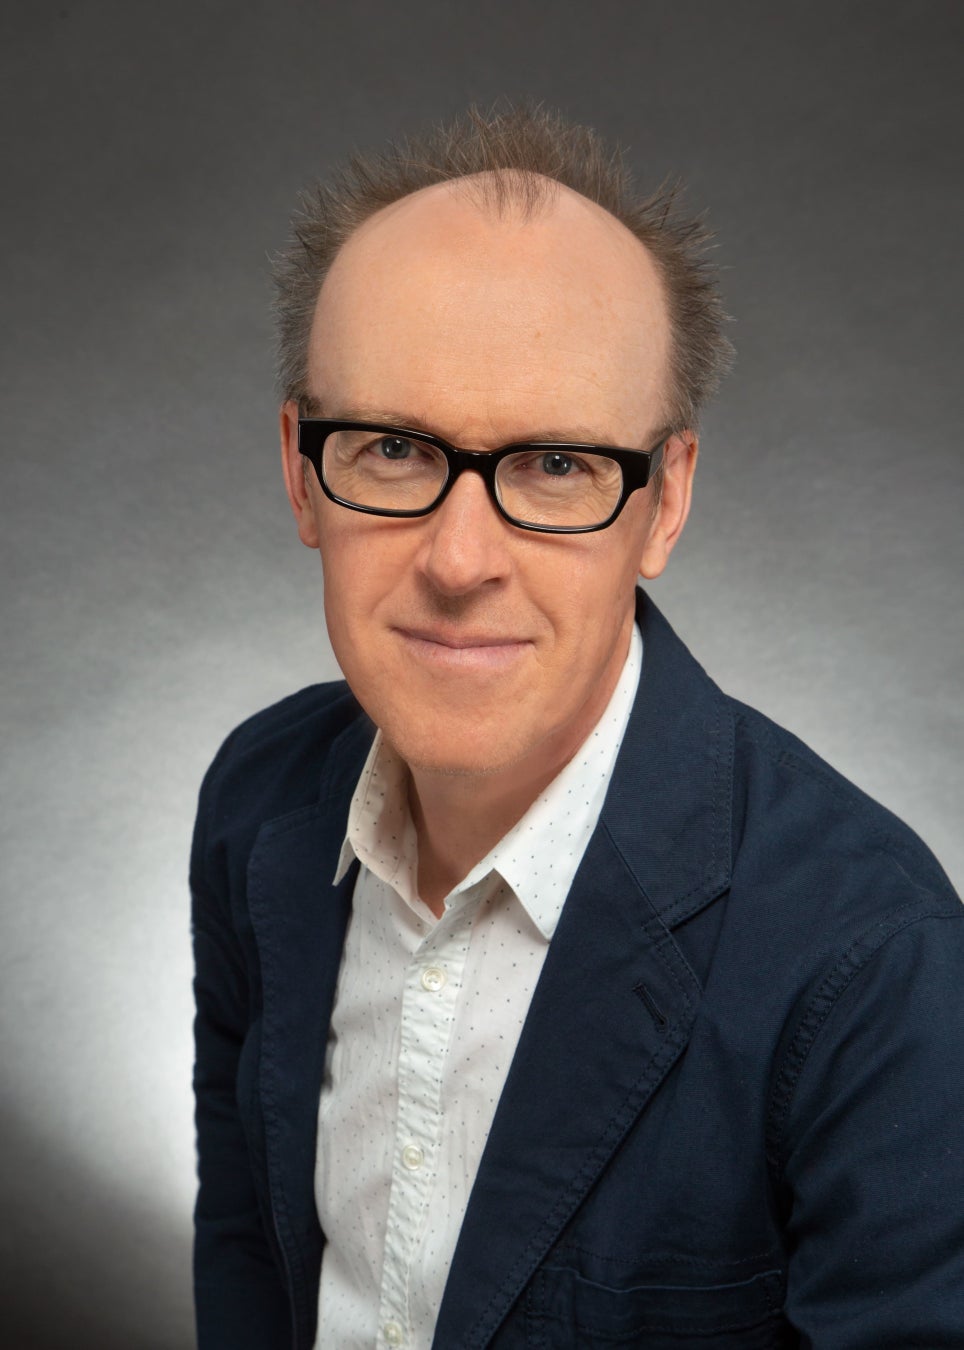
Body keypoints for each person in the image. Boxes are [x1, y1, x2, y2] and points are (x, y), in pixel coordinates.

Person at [191, 105, 964, 1350]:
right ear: (299, 470)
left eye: (555, 465)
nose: (459, 560)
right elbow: (248, 1249)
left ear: (665, 503)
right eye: (391, 448)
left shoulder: (877, 964)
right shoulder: (255, 799)